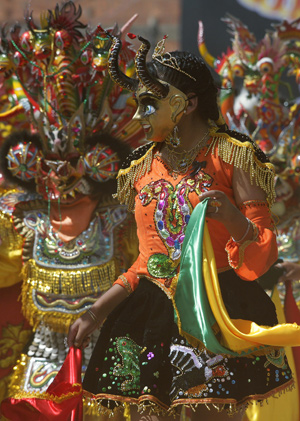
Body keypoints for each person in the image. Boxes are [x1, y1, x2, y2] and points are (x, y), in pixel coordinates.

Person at [67, 34, 296, 421]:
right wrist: (95, 313)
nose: (139, 116)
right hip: (151, 314)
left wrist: (233, 219)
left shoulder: (231, 156)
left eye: (149, 104)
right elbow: (147, 262)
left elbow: (260, 258)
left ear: (188, 103)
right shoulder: (141, 167)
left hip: (216, 311)